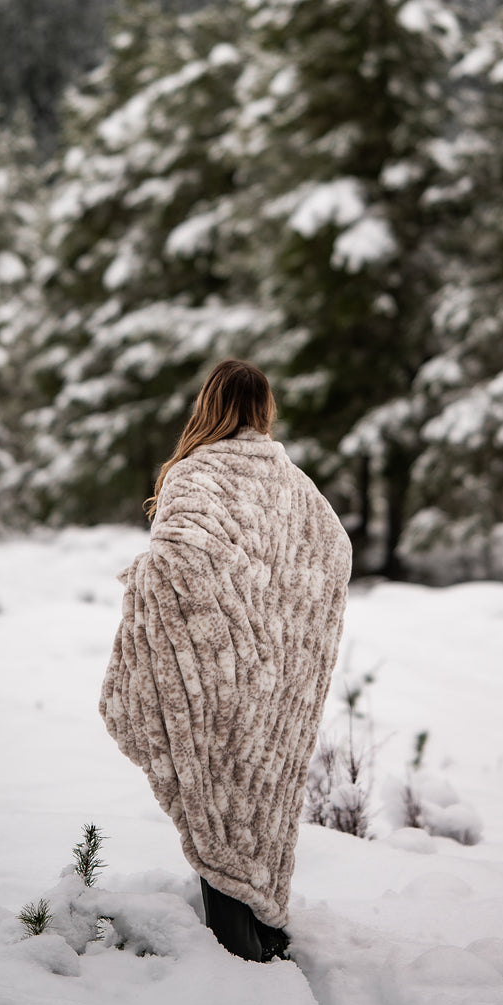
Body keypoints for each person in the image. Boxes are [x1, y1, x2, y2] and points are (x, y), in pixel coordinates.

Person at [99, 358, 352, 962]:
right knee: (252, 804)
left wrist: (148, 580)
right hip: (266, 673)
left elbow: (181, 556)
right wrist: (275, 623)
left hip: (211, 673)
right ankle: (261, 935)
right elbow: (334, 549)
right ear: (264, 409)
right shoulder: (293, 482)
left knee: (218, 801)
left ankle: (237, 960)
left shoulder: (194, 473)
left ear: (206, 405)